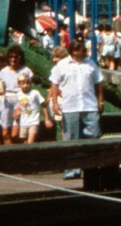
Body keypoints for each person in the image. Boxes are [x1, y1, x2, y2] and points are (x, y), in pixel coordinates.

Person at [49, 39, 105, 179]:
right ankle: (71, 169)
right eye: (78, 49)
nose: (81, 52)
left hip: (89, 106)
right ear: (72, 50)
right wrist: (55, 103)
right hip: (70, 107)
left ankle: (91, 167)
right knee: (71, 139)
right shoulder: (61, 65)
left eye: (82, 50)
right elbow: (54, 85)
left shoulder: (91, 64)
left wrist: (101, 101)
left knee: (93, 136)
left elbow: (98, 84)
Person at [0, 45, 35, 145]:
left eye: (15, 57)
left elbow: (28, 91)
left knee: (18, 134)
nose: (13, 59)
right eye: (10, 57)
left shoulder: (26, 71)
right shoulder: (4, 71)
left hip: (22, 101)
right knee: (5, 133)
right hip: (6, 103)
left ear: (20, 57)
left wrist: (21, 108)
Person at [14, 74, 51, 145]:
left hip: (33, 121)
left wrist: (47, 118)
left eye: (28, 83)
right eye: (23, 83)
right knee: (24, 144)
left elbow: (43, 105)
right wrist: (16, 113)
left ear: (30, 83)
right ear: (19, 84)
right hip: (23, 122)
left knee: (30, 143)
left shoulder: (35, 93)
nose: (25, 85)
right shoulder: (18, 94)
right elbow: (19, 106)